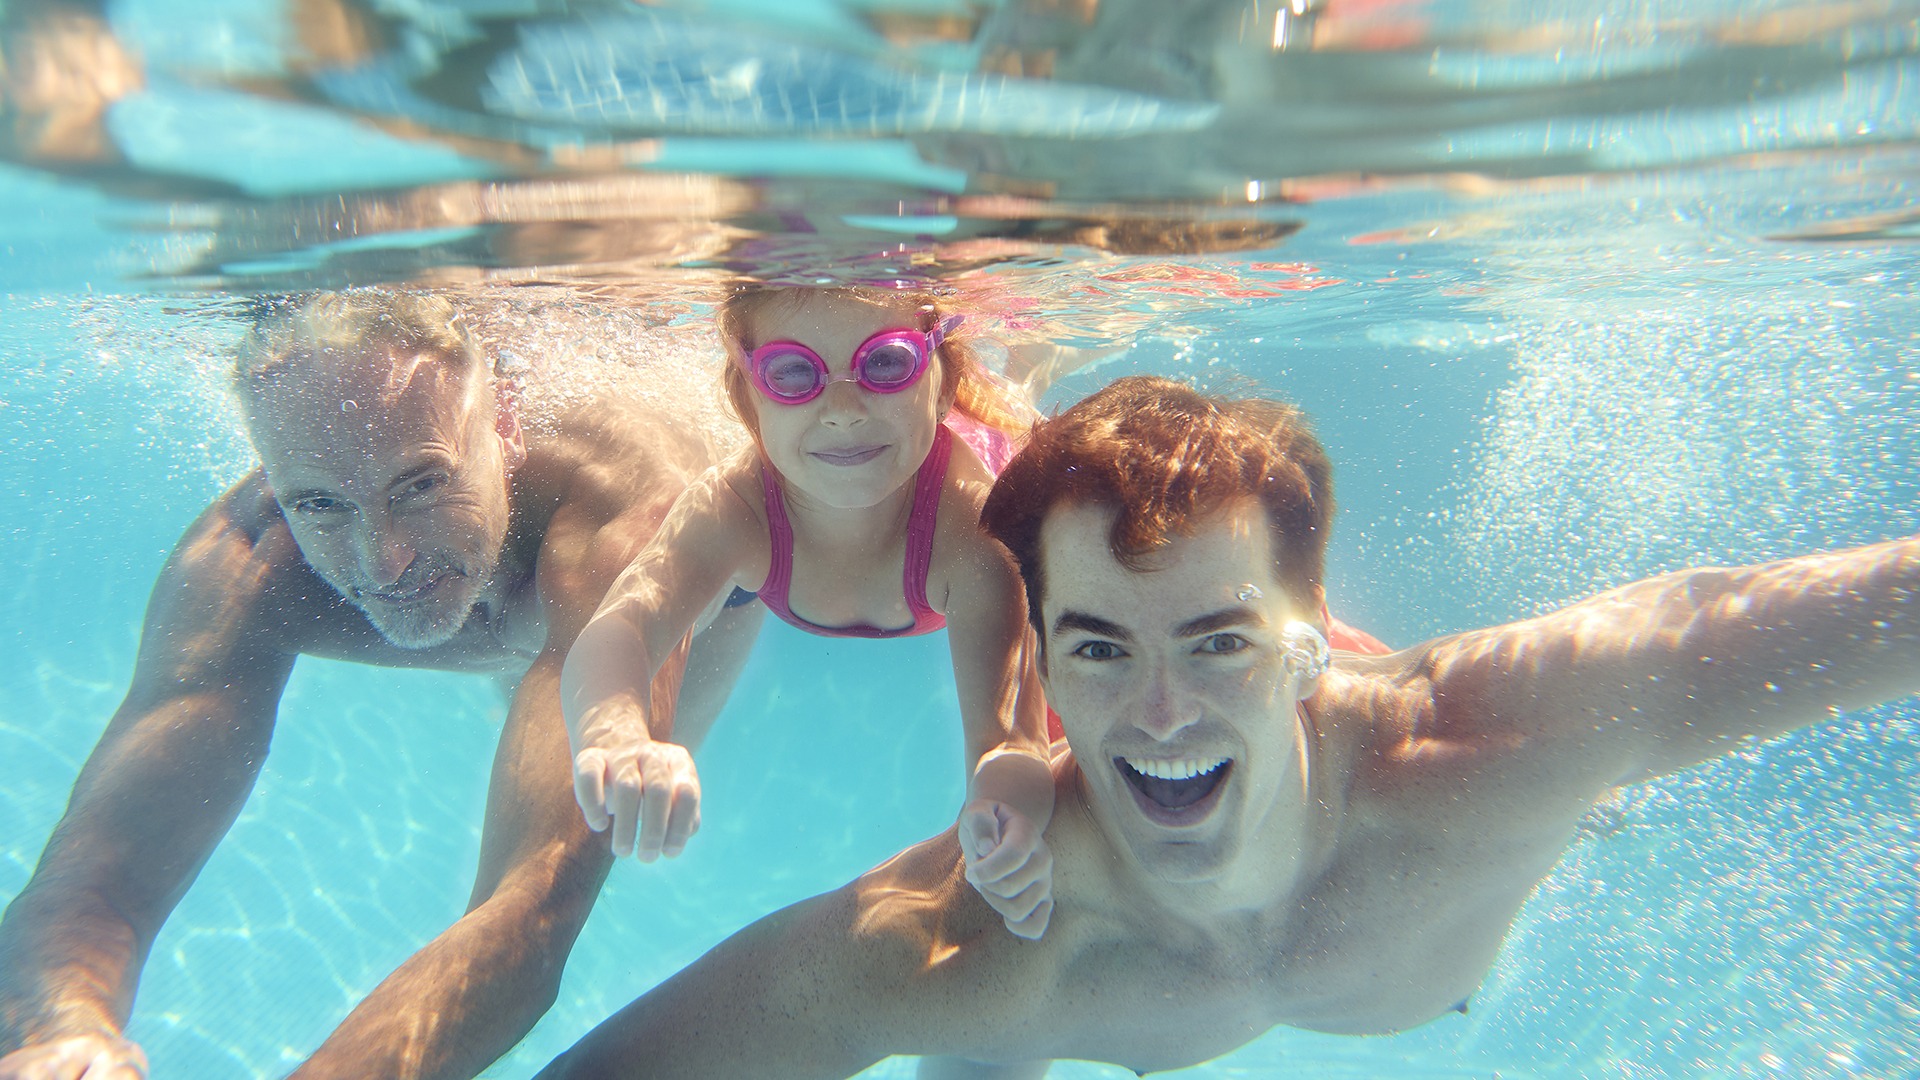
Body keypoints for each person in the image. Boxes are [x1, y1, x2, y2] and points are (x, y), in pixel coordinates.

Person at [537, 374, 1919, 1079]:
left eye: (1217, 645)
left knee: (1581, 783)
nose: (1155, 714)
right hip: (1063, 974)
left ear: (1306, 642)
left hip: (1421, 868)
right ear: (1043, 670)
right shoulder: (974, 935)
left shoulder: (1503, 745)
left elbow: (1878, 611)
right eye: (1098, 648)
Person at [0, 291, 762, 1080]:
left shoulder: (627, 513)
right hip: (537, 608)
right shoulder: (250, 564)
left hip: (681, 599)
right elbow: (94, 882)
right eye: (320, 502)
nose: (382, 561)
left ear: (505, 425)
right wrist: (65, 1033)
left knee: (620, 825)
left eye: (421, 484)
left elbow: (529, 915)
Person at [561, 283, 1060, 939]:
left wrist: (1007, 814)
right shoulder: (735, 508)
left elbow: (1011, 741)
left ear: (939, 387)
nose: (844, 409)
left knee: (1023, 393)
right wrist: (615, 734)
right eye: (794, 373)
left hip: (989, 457)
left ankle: (1024, 355)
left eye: (887, 363)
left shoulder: (972, 532)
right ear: (748, 403)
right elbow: (621, 625)